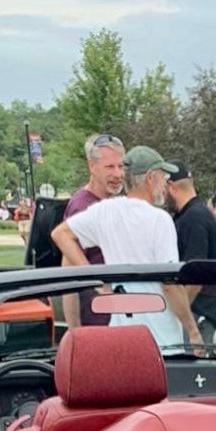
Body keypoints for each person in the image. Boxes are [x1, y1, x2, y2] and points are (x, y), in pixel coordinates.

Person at [51, 145, 202, 353]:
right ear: (150, 178)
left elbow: (61, 234)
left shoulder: (105, 211)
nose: (165, 185)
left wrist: (95, 276)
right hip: (161, 339)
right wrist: (192, 330)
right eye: (163, 177)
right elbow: (169, 284)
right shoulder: (160, 220)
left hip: (121, 336)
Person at [61, 132, 126, 328]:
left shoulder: (110, 205)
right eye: (110, 167)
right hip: (97, 325)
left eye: (121, 166)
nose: (118, 174)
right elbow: (68, 273)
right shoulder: (83, 207)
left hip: (119, 318)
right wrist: (75, 332)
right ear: (92, 166)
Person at [166, 161, 216, 343]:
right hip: (198, 309)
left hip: (197, 311)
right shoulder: (193, 215)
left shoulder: (193, 219)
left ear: (171, 187)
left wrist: (175, 316)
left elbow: (195, 276)